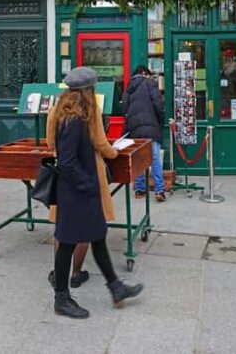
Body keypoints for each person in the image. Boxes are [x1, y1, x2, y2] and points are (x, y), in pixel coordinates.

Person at [49, 66, 142, 319]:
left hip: (79, 191)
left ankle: (116, 287)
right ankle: (61, 298)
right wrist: (87, 185)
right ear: (87, 91)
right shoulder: (73, 119)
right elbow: (67, 162)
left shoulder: (68, 113)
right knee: (67, 243)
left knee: (97, 236)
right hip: (76, 191)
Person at [46, 87, 119, 289]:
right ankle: (75, 273)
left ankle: (60, 276)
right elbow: (100, 141)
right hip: (86, 171)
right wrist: (113, 153)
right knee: (86, 229)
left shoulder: (55, 109)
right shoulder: (88, 111)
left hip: (63, 176)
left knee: (64, 229)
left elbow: (49, 141)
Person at [123, 65, 166, 202]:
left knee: (138, 159)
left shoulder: (128, 88)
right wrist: (160, 121)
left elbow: (125, 109)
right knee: (154, 159)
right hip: (150, 127)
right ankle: (159, 190)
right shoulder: (150, 83)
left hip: (134, 129)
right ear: (144, 73)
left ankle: (140, 189)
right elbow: (158, 104)